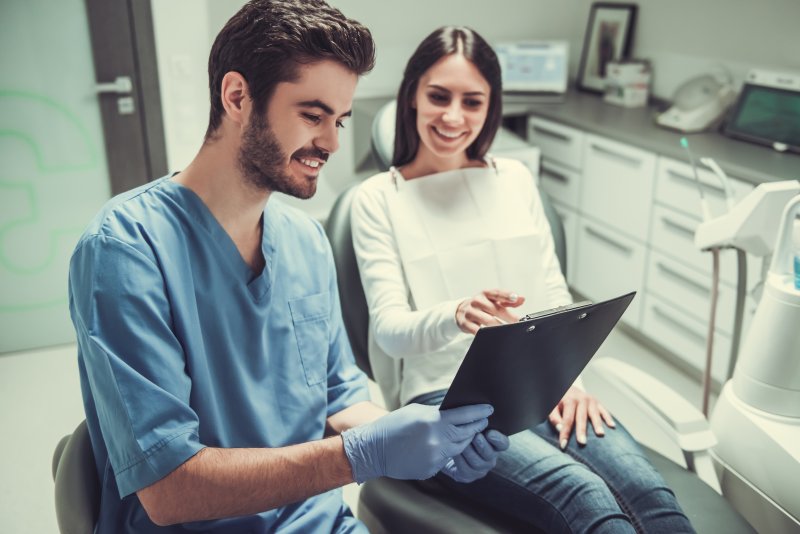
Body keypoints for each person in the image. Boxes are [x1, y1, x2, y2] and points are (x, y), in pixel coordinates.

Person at [68, 4, 510, 532]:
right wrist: (359, 456)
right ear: (237, 97)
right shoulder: (126, 249)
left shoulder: (305, 240)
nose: (332, 143)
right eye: (312, 115)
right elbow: (169, 488)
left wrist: (433, 438)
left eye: (340, 120)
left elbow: (341, 399)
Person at [351, 25, 696, 533]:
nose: (453, 117)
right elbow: (388, 330)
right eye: (438, 97)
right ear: (412, 99)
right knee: (584, 497)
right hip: (444, 400)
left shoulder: (513, 178)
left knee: (647, 491)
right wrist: (454, 314)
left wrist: (568, 378)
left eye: (472, 101)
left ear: (492, 106)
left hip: (539, 382)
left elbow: (554, 294)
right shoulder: (377, 199)